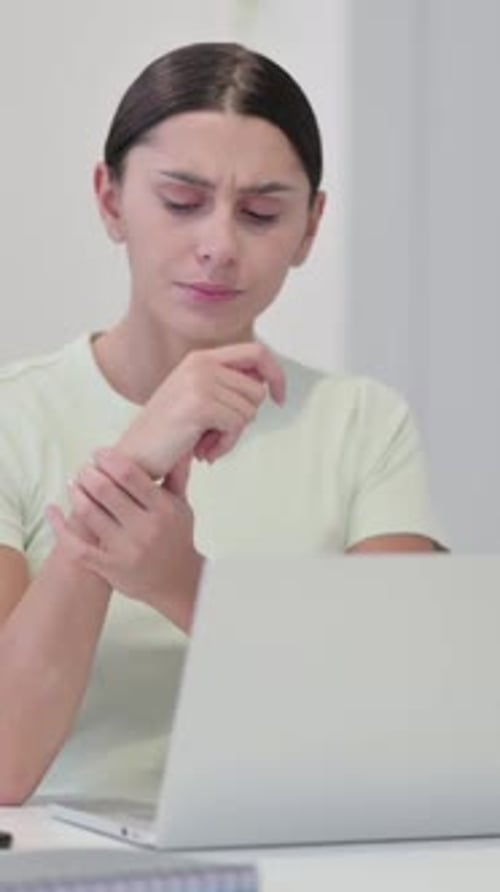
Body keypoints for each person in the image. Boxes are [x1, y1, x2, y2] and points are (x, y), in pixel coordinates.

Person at [0, 42, 444, 806]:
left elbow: (406, 722)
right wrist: (133, 462)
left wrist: (181, 581)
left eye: (263, 213)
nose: (218, 246)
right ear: (109, 199)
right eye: (181, 202)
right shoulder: (15, 417)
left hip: (309, 859)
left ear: (310, 228)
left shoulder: (364, 425)